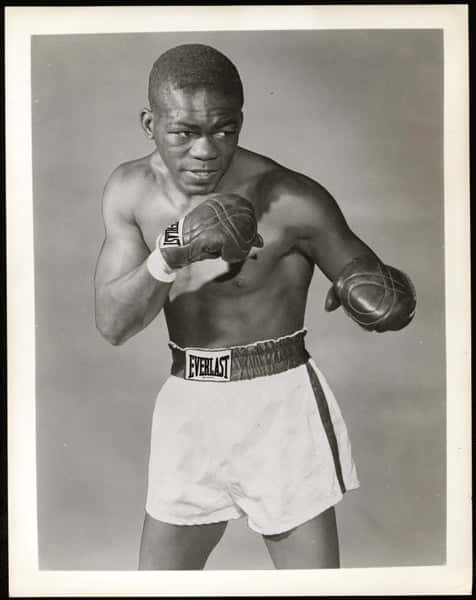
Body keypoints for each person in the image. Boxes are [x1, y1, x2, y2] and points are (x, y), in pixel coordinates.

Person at [94, 44, 416, 570]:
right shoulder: (130, 191)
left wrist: (384, 295)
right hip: (190, 402)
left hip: (279, 406)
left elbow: (370, 278)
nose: (206, 150)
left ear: (240, 122)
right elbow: (112, 324)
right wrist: (171, 251)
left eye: (223, 130)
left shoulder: (292, 198)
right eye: (184, 133)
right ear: (150, 124)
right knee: (158, 587)